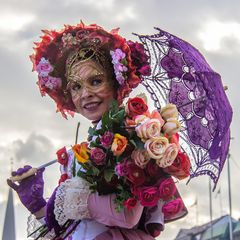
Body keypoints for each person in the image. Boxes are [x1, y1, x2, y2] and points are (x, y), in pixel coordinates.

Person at [7, 22, 188, 239]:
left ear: (116, 83)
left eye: (95, 81)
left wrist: (68, 197)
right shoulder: (75, 155)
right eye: (76, 87)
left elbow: (128, 215)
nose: (85, 94)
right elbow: (70, 230)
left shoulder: (137, 135)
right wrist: (39, 207)